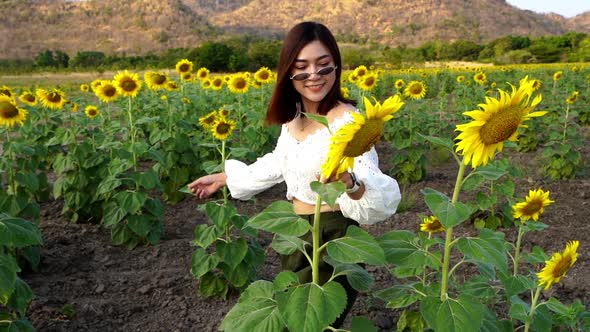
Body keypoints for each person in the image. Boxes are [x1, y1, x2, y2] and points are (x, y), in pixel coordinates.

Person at [188, 21, 401, 328]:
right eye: (302, 66)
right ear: (289, 73)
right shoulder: (296, 119)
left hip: (332, 237)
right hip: (298, 234)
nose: (313, 75)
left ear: (336, 67)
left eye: (323, 65)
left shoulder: (347, 122)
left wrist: (350, 183)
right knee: (294, 317)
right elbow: (280, 162)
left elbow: (367, 177)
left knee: (311, 322)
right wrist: (224, 177)